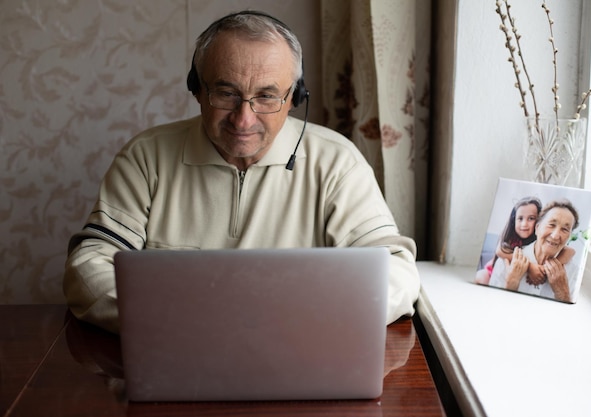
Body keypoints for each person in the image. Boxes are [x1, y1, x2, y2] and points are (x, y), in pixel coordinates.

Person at [63, 10, 420, 334]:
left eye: (266, 96)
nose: (243, 119)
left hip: (296, 356)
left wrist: (294, 319)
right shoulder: (145, 158)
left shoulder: (338, 163)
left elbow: (397, 273)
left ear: (294, 97)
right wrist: (181, 321)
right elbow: (89, 267)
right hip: (179, 353)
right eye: (226, 93)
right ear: (197, 90)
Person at [488, 199, 580, 302]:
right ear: (537, 227)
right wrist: (511, 284)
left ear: (569, 237)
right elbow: (492, 306)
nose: (555, 236)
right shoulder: (508, 262)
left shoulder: (573, 271)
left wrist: (562, 293)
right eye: (551, 225)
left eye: (565, 229)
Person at [475, 197, 574, 285]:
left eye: (531, 218)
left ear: (538, 222)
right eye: (520, 218)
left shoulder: (541, 238)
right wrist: (530, 267)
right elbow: (499, 251)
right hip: (490, 271)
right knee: (480, 276)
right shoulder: (510, 238)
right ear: (514, 221)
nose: (524, 224)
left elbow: (570, 251)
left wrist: (547, 269)